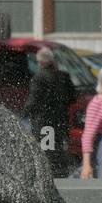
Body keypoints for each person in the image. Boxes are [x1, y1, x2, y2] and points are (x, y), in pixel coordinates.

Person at [21, 47, 76, 176]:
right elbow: (72, 97)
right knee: (58, 150)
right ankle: (60, 174)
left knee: (45, 152)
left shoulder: (39, 78)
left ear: (40, 62)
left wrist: (23, 114)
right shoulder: (64, 76)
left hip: (43, 123)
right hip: (61, 121)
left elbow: (33, 100)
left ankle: (49, 175)